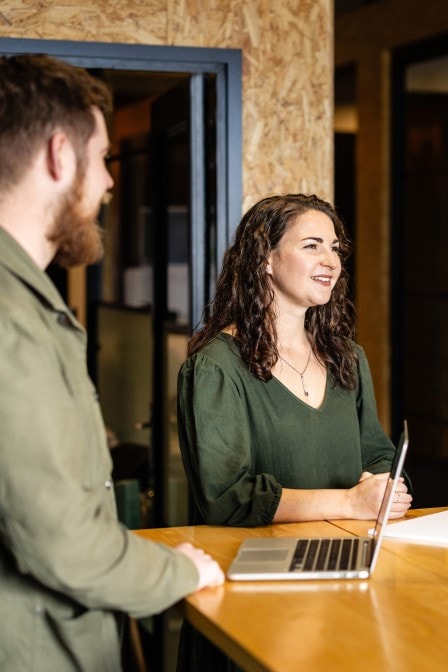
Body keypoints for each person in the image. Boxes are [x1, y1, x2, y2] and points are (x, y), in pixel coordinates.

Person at [0, 54, 224, 670]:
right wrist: (174, 569)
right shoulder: (8, 315)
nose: (109, 182)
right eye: (100, 158)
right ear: (58, 155)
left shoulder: (24, 294)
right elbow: (61, 541)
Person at [176, 194, 412, 669]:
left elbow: (378, 454)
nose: (331, 261)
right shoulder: (215, 367)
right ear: (265, 258)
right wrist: (348, 502)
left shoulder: (347, 357)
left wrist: (386, 488)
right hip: (248, 594)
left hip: (345, 581)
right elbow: (226, 496)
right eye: (312, 246)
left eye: (336, 248)